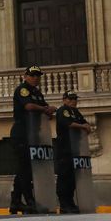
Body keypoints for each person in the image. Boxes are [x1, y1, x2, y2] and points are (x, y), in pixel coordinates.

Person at [9, 66, 55, 214]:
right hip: (22, 134)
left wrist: (49, 110)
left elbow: (44, 108)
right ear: (26, 76)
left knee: (25, 169)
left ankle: (15, 202)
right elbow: (28, 106)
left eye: (38, 75)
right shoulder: (23, 90)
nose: (36, 78)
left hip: (33, 135)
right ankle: (29, 201)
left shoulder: (37, 93)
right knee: (25, 169)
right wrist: (45, 109)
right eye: (33, 75)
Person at [55, 91, 93, 214]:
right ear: (64, 99)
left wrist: (86, 125)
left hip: (75, 150)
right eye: (71, 99)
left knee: (72, 178)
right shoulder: (63, 110)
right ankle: (64, 203)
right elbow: (68, 123)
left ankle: (70, 202)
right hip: (64, 150)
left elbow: (84, 122)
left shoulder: (75, 112)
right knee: (64, 177)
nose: (73, 101)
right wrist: (83, 127)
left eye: (75, 99)